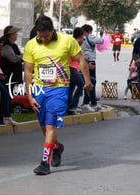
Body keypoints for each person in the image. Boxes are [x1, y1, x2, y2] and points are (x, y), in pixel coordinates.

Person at [23, 15, 92, 175]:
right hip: (40, 90)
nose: (43, 39)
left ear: (52, 31)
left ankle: (44, 163)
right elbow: (27, 70)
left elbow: (81, 60)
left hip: (59, 89)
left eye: (46, 36)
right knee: (43, 126)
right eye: (40, 36)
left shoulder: (67, 41)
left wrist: (86, 81)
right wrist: (29, 94)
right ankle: (57, 147)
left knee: (50, 125)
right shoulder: (31, 45)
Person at [0, 25, 23, 124]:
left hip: (13, 75)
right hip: (7, 75)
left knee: (9, 96)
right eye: (15, 33)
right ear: (10, 35)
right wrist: (21, 56)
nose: (16, 35)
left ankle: (7, 116)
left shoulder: (13, 45)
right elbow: (12, 58)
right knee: (6, 96)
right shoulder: (6, 46)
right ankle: (5, 116)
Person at [80, 24, 104, 111]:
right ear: (89, 30)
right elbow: (101, 41)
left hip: (83, 60)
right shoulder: (89, 36)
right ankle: (90, 102)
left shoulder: (81, 38)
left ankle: (90, 101)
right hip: (90, 61)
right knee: (91, 81)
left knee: (88, 81)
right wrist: (102, 35)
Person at [67, 27, 85, 115]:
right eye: (83, 38)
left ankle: (69, 107)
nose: (83, 41)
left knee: (71, 88)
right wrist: (81, 59)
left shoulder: (73, 42)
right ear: (80, 37)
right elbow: (72, 56)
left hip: (74, 68)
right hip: (71, 68)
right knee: (82, 84)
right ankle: (73, 105)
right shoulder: (73, 43)